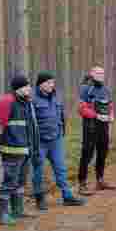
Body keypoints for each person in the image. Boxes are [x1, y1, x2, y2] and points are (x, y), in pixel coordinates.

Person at [31, 71, 85, 211]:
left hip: (56, 140)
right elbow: (31, 122)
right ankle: (39, 198)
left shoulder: (56, 97)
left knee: (61, 169)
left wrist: (61, 133)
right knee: (38, 170)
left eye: (53, 82)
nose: (51, 85)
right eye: (48, 83)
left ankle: (67, 196)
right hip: (40, 142)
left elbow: (61, 116)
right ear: (40, 84)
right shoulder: (32, 99)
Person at [0, 75, 41, 225]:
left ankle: (18, 210)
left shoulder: (27, 102)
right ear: (18, 88)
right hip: (11, 150)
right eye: (26, 86)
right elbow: (0, 125)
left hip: (25, 150)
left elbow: (31, 127)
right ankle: (2, 214)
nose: (29, 88)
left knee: (20, 182)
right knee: (9, 182)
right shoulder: (7, 101)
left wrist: (33, 147)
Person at [77, 66, 116, 195]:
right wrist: (97, 116)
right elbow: (81, 109)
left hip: (104, 126)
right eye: (98, 73)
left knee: (103, 152)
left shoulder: (106, 89)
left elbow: (110, 105)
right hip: (90, 126)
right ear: (92, 74)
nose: (100, 75)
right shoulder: (86, 89)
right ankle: (82, 184)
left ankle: (100, 180)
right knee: (87, 154)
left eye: (102, 73)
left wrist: (111, 115)